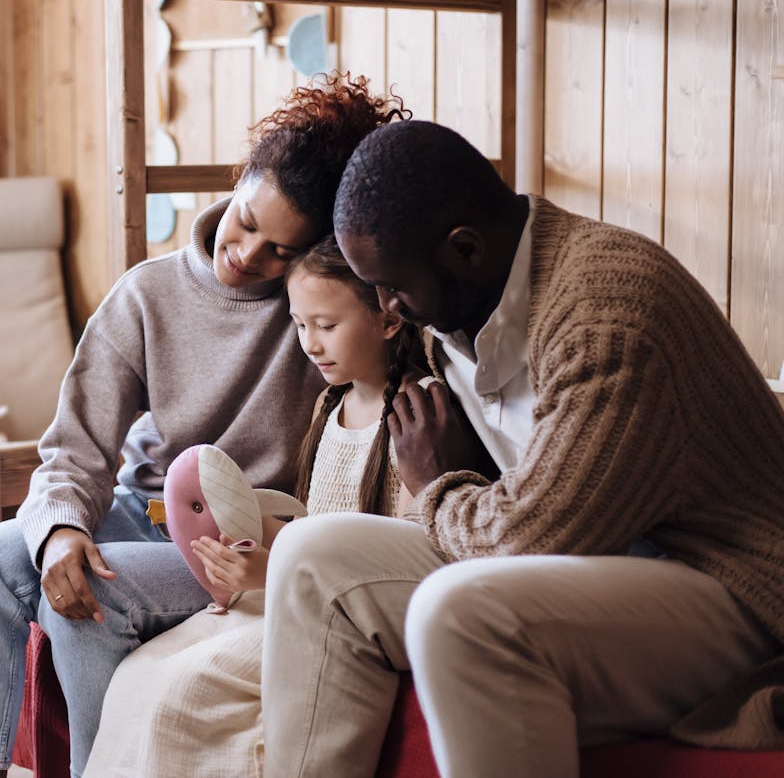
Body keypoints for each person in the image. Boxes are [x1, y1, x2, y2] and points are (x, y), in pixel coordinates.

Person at [260, 119, 784, 778]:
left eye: (393, 287)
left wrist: (438, 483)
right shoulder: (452, 305)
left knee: (461, 611)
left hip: (737, 588)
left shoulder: (607, 315)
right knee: (314, 557)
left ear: (465, 249)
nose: (388, 308)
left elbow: (537, 538)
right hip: (605, 564)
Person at [0, 74, 409, 777]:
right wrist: (63, 527)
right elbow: (75, 446)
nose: (249, 254)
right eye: (248, 221)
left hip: (233, 539)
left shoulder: (315, 313)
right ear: (238, 180)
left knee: (89, 595)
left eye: (282, 249)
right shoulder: (148, 292)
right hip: (137, 509)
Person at [83, 235, 425, 777]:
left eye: (327, 326)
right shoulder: (329, 403)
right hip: (283, 588)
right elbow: (312, 517)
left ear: (388, 320)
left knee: (185, 689)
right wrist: (249, 542)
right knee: (137, 673)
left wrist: (276, 569)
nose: (310, 343)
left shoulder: (413, 414)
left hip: (330, 607)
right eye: (300, 324)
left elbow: (402, 552)